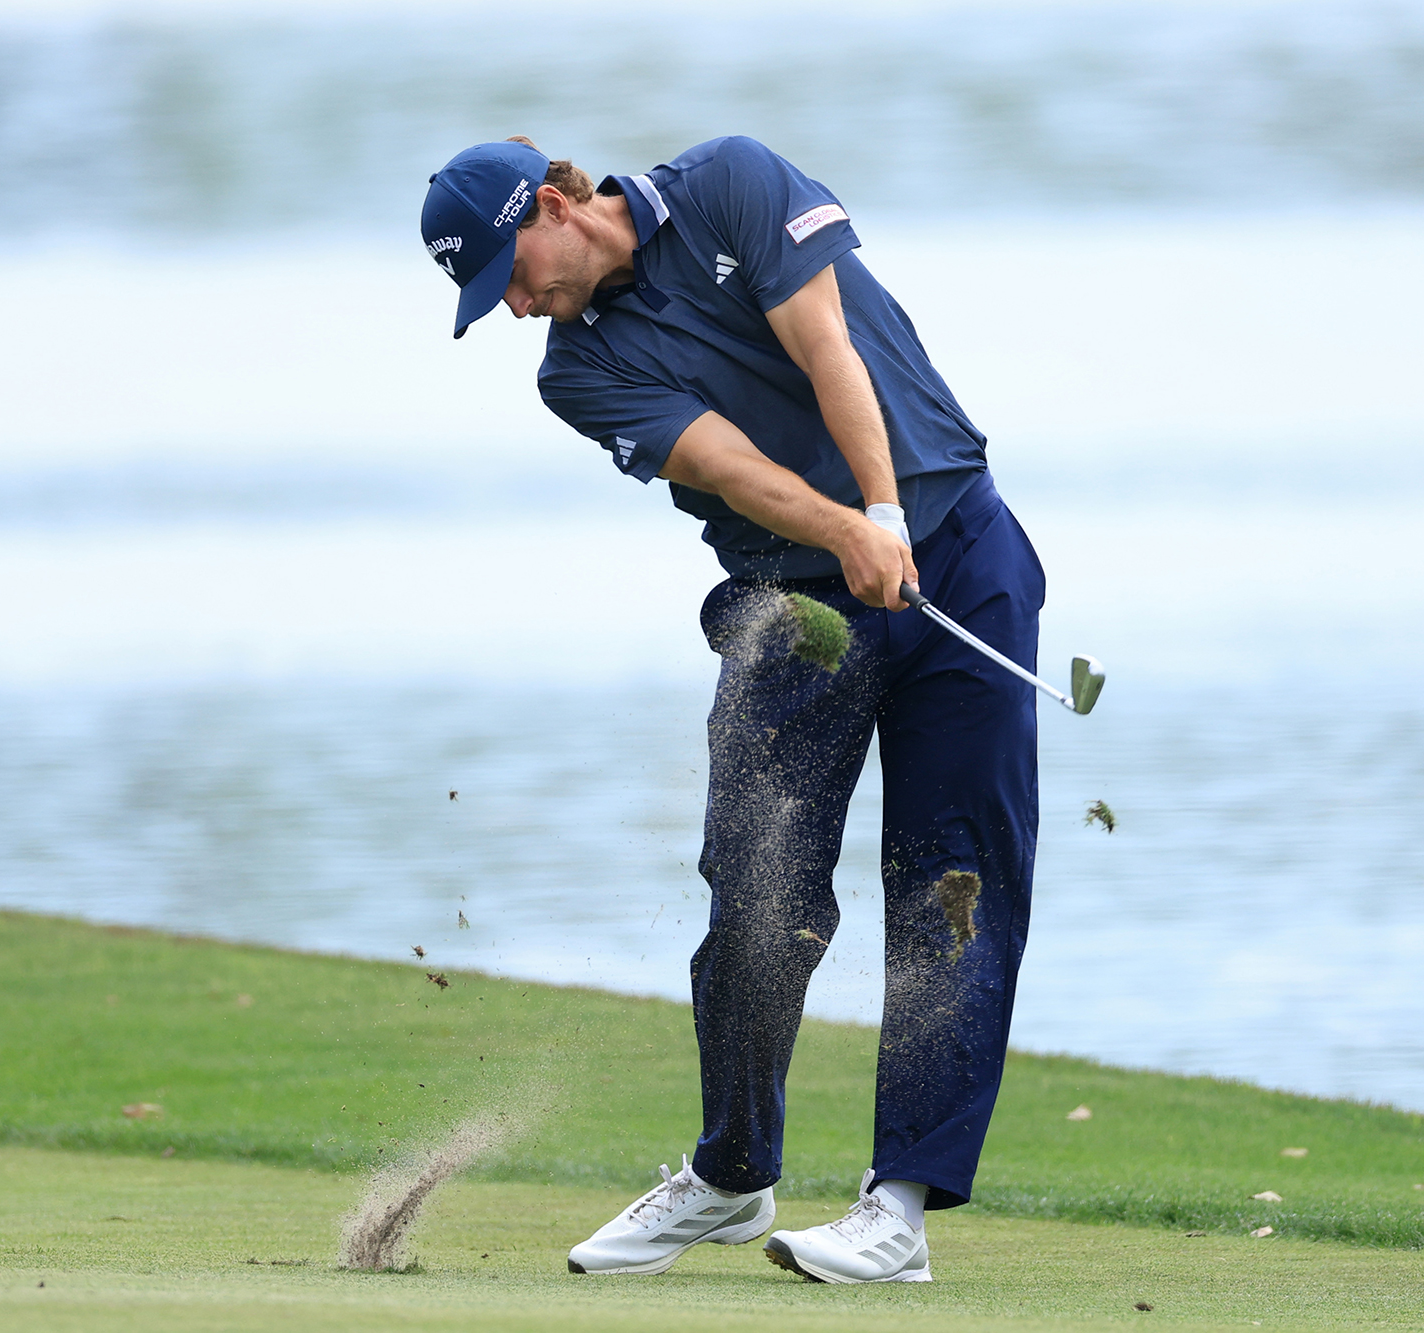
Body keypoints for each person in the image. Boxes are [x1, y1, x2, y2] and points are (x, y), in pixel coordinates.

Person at [419, 134, 1045, 1285]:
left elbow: (827, 346)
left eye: (507, 273)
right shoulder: (575, 373)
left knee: (953, 882)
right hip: (790, 605)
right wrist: (850, 533)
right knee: (757, 888)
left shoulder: (731, 184)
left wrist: (883, 517)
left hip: (958, 553)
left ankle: (898, 1206)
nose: (512, 306)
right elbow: (730, 467)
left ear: (551, 204)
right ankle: (730, 1172)